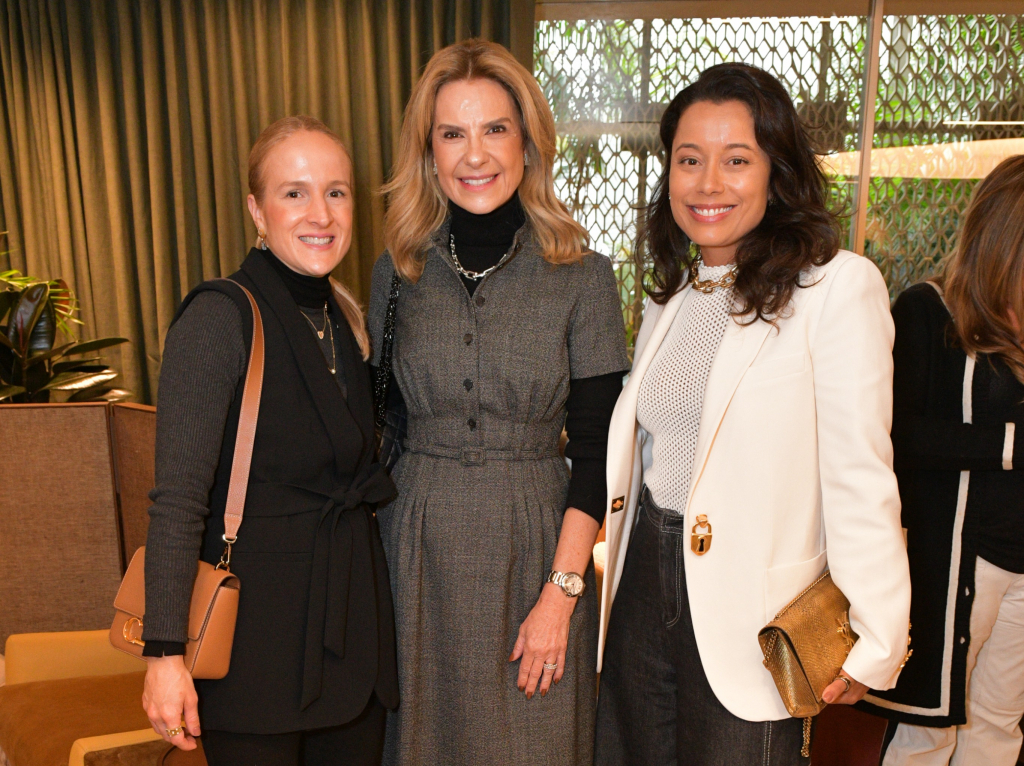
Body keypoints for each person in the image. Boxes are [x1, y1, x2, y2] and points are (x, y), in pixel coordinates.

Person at [594, 63, 912, 765]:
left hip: (754, 616)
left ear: (778, 172)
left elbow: (860, 472)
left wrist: (878, 632)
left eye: (736, 160)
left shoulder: (836, 289)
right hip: (643, 586)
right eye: (689, 160)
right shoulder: (670, 299)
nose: (709, 183)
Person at [367, 39, 629, 766]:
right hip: (413, 547)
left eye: (495, 130)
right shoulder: (397, 270)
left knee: (534, 743)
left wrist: (561, 593)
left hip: (537, 546)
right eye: (452, 133)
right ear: (428, 150)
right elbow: (381, 424)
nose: (473, 154)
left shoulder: (584, 276)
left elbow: (600, 447)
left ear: (528, 142)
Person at [140, 116, 398, 766]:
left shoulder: (344, 316)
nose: (321, 213)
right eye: (295, 192)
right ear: (256, 208)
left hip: (348, 653)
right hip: (253, 656)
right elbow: (176, 500)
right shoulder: (218, 317)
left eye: (336, 192)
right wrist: (165, 655)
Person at [860, 155, 1024, 765]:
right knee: (928, 733)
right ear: (1004, 240)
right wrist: (1006, 445)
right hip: (953, 562)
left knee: (1000, 728)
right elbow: (892, 435)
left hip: (1020, 568)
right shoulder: (928, 312)